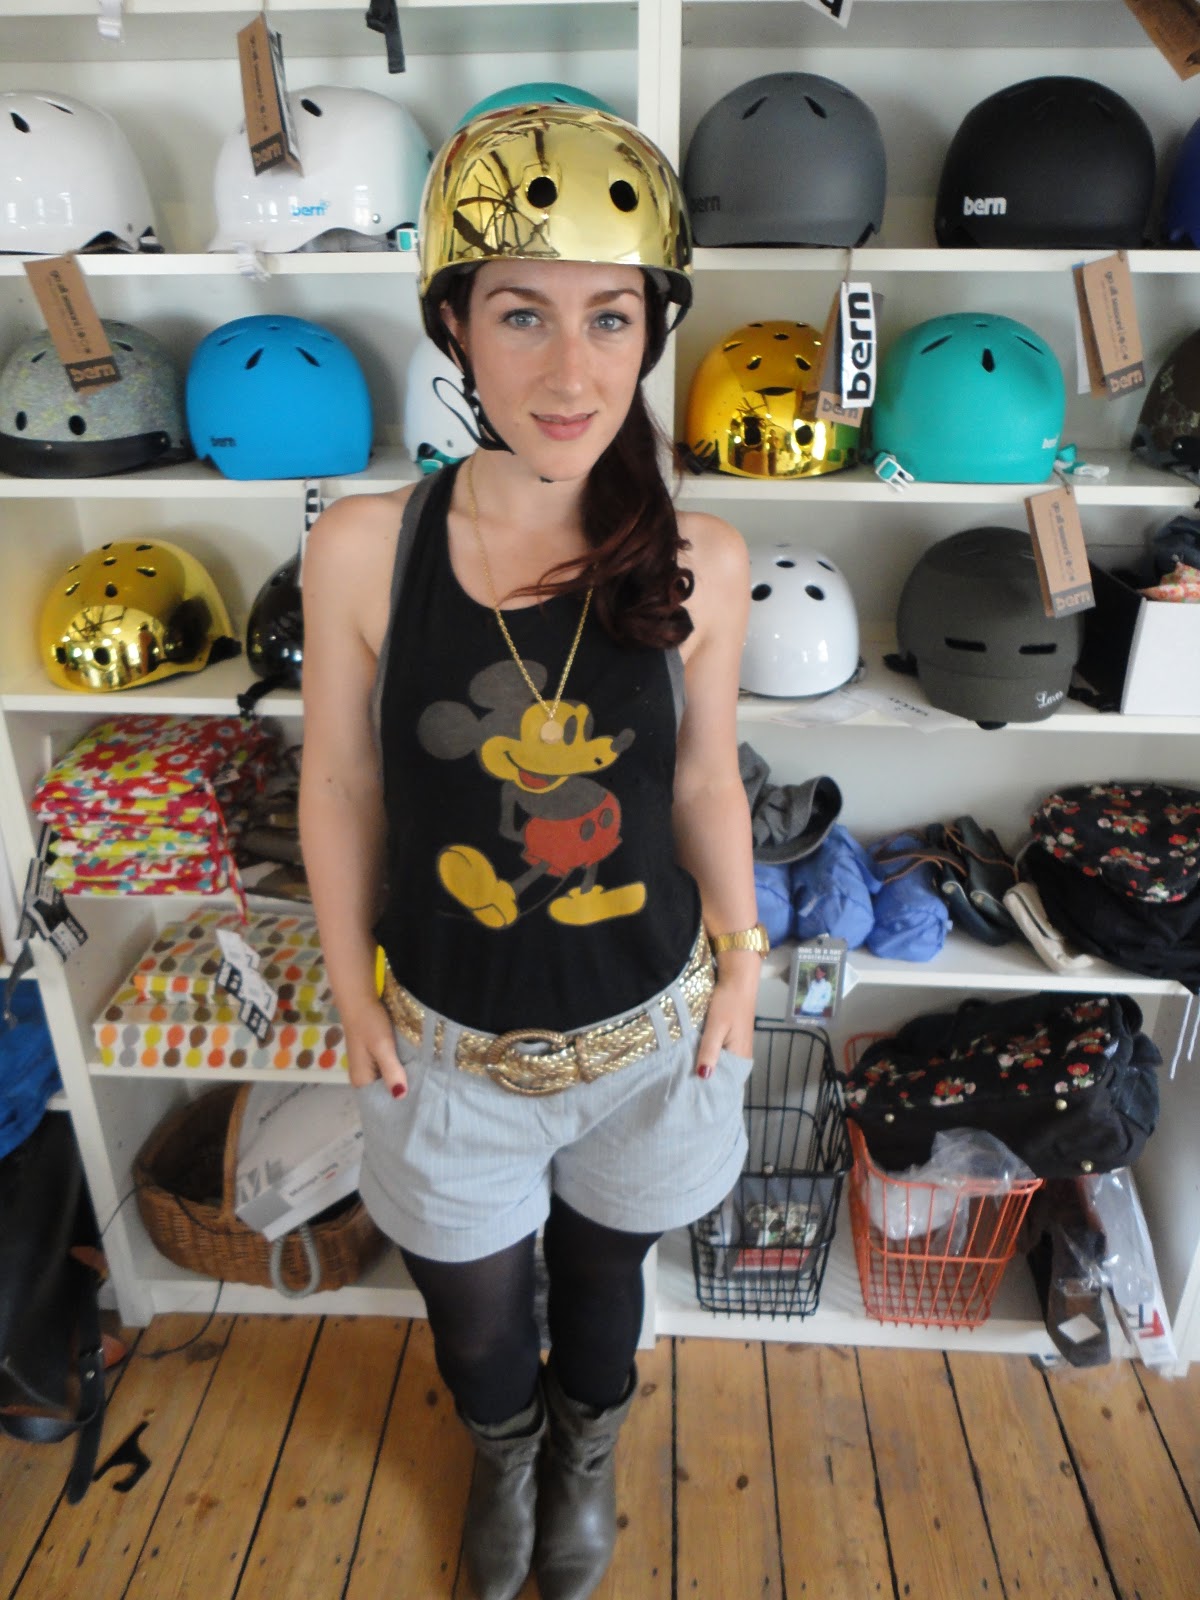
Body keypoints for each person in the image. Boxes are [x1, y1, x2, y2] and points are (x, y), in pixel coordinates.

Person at [299, 102, 765, 1600]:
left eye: (609, 318)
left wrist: (744, 964)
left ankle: (585, 1454)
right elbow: (340, 786)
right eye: (522, 315)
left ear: (650, 329)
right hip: (444, 1052)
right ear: (454, 321)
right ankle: (505, 1453)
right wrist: (351, 995)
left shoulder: (703, 561)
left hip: (653, 1039)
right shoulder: (364, 546)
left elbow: (704, 780)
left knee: (608, 1280)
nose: (571, 373)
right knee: (479, 1317)